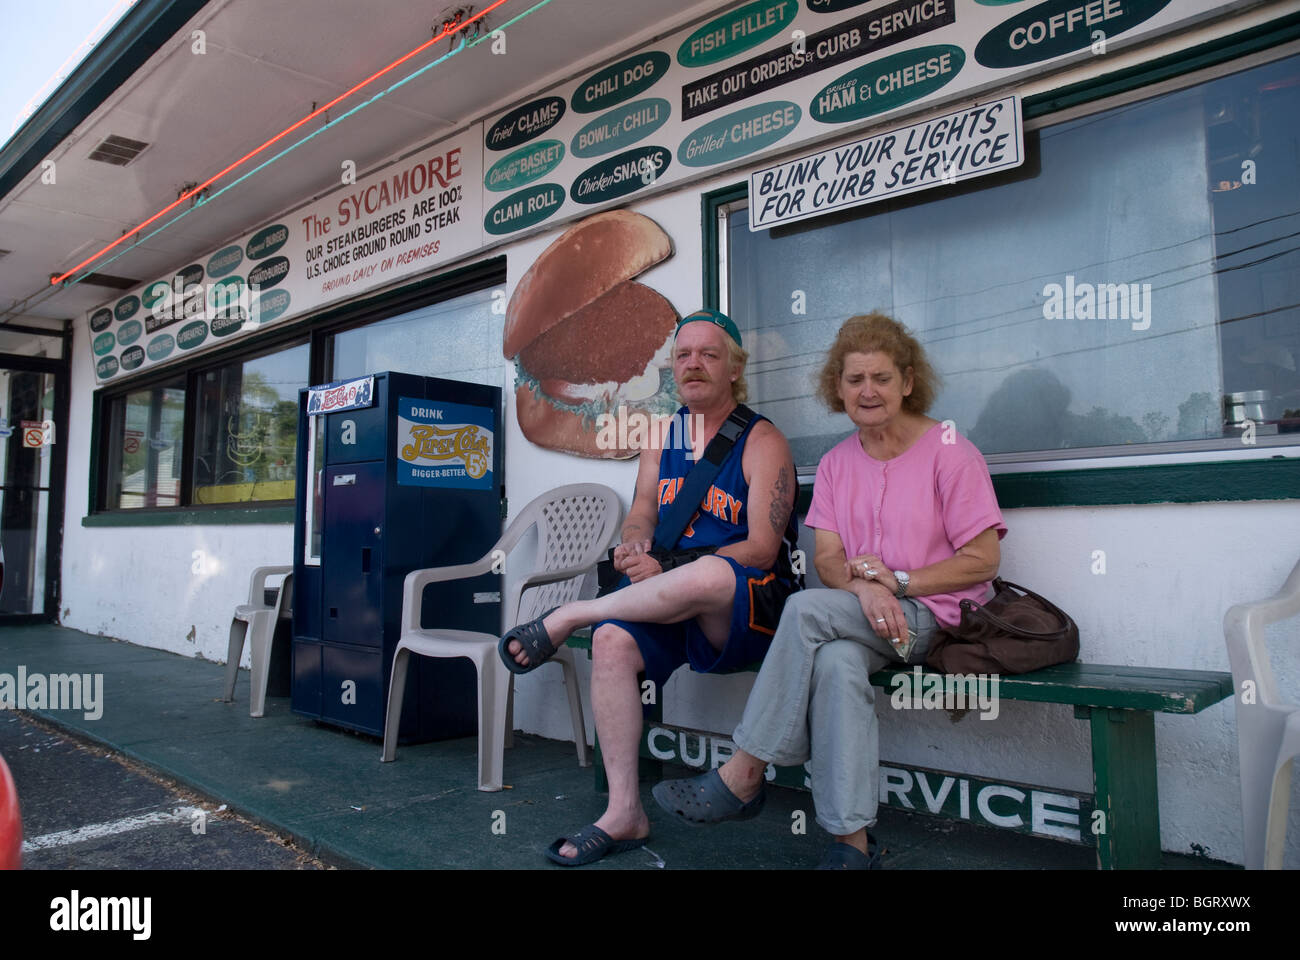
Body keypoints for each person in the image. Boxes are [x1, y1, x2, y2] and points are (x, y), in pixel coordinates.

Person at [652, 312, 1006, 869]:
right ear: (836, 388)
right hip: (866, 617)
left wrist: (901, 582)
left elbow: (983, 561)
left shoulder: (949, 449)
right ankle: (851, 847)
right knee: (837, 662)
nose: (868, 392)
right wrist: (865, 592)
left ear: (908, 382)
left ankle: (745, 771)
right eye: (854, 380)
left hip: (941, 618)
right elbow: (828, 560)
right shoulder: (839, 462)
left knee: (804, 610)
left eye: (882, 378)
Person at [498, 308, 803, 866]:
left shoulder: (763, 440)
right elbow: (641, 511)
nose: (694, 365)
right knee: (613, 643)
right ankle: (624, 813)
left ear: (734, 368)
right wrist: (635, 546)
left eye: (710, 355)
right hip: (665, 600)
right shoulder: (662, 436)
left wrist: (673, 567)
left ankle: (569, 616)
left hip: (742, 613)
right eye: (684, 355)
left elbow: (761, 548)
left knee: (710, 573)